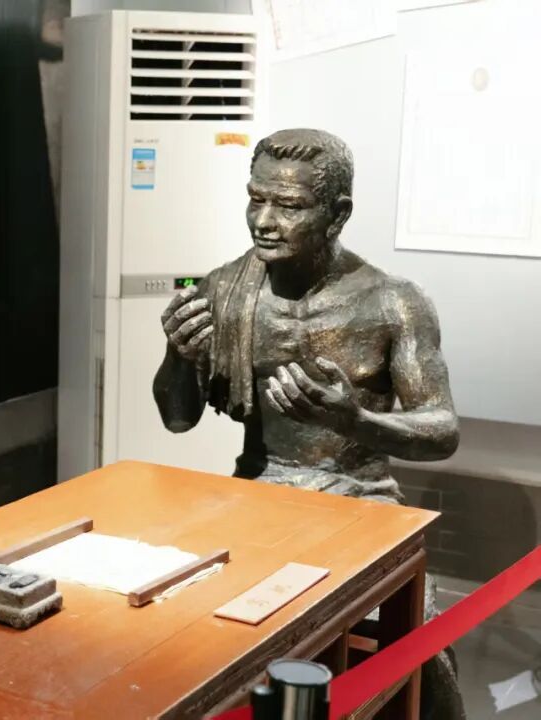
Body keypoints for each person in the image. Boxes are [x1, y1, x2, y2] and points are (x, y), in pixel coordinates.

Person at [153, 128, 464, 719]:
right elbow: (177, 418)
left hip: (362, 500)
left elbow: (442, 429)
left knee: (424, 641)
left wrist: (356, 420)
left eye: (290, 206)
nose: (264, 222)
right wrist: (179, 356)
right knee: (188, 630)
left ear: (337, 214)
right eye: (256, 199)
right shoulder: (224, 289)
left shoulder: (393, 302)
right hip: (258, 494)